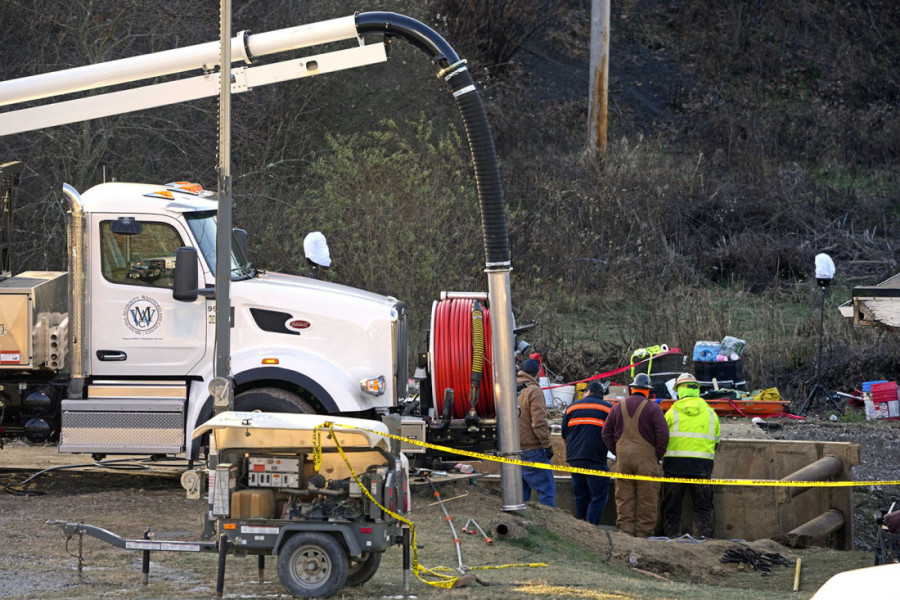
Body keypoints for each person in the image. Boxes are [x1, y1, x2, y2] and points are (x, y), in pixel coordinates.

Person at [601, 372, 669, 537]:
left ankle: (625, 533)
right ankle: (644, 534)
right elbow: (663, 435)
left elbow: (605, 433)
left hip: (623, 459)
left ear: (632, 389)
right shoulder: (653, 408)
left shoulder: (617, 407)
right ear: (647, 390)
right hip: (646, 460)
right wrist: (657, 455)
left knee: (624, 497)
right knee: (648, 498)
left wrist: (617, 451)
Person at [660, 372, 720, 538]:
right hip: (702, 467)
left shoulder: (672, 413)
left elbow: (662, 439)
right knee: (703, 506)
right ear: (696, 389)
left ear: (680, 390)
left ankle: (671, 537)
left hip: (674, 467)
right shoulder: (710, 414)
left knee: (671, 505)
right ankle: (704, 538)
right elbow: (716, 442)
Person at [562, 380, 613, 525]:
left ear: (588, 392)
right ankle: (591, 529)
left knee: (580, 496)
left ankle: (581, 528)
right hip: (596, 459)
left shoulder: (571, 408)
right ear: (602, 395)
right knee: (599, 496)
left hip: (574, 458)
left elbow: (564, 435)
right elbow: (614, 435)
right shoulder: (609, 409)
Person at [517, 358, 556, 507]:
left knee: (520, 496)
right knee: (547, 491)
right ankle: (549, 524)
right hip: (533, 449)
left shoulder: (510, 388)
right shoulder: (534, 390)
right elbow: (538, 423)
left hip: (513, 449)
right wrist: (547, 445)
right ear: (536, 374)